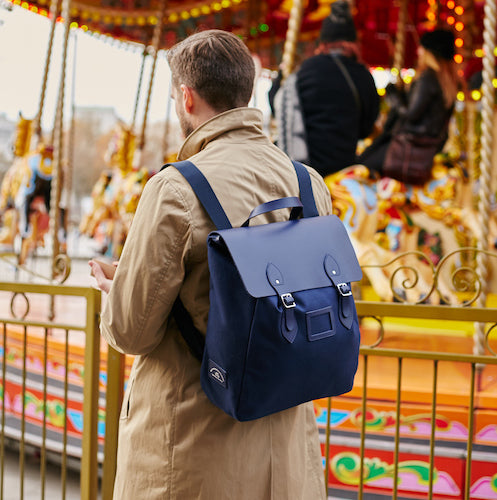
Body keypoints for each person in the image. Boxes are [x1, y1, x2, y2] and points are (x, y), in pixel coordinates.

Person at [89, 29, 332, 500]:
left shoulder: (175, 189)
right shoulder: (308, 183)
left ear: (186, 97)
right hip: (287, 452)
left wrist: (116, 290)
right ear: (248, 90)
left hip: (191, 454)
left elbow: (130, 331)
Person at [276, 0, 379, 178]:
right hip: (344, 168)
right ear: (353, 42)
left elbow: (276, 106)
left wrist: (280, 76)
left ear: (323, 42)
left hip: (304, 168)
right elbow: (366, 128)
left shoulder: (306, 70)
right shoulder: (363, 75)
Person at [358, 28, 458, 177]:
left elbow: (410, 114)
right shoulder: (448, 82)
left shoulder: (428, 78)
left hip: (407, 146)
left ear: (429, 52)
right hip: (425, 148)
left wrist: (393, 95)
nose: (419, 52)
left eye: (422, 48)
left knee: (360, 167)